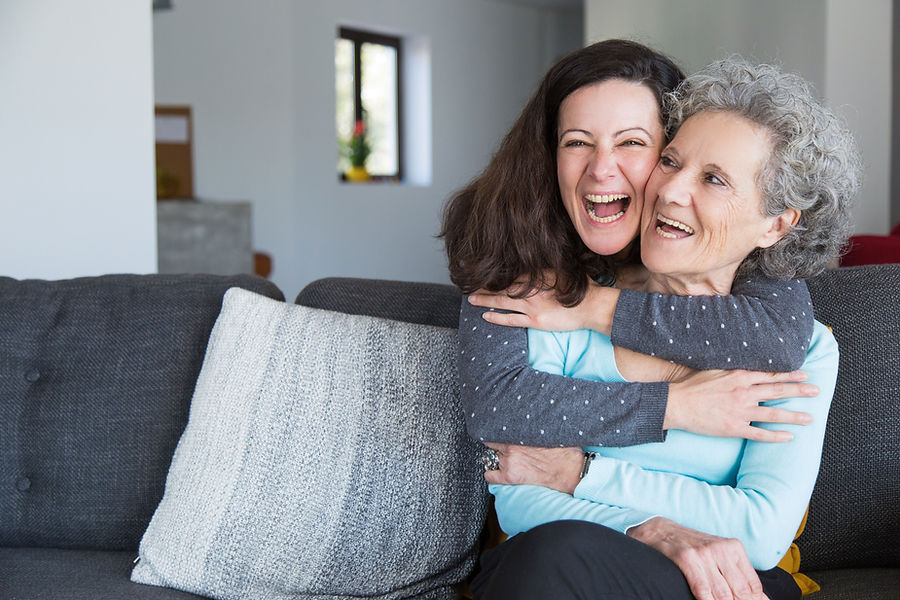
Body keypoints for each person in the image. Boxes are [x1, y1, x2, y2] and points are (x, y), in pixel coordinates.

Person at [469, 58, 861, 600]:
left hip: (719, 582)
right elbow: (519, 490)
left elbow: (762, 531)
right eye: (671, 161)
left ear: (776, 224)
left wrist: (583, 474)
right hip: (560, 566)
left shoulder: (801, 346)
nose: (671, 190)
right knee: (549, 557)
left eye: (714, 179)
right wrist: (650, 529)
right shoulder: (560, 303)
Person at [442, 40, 819, 453]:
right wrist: (672, 406)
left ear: (670, 153)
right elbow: (495, 405)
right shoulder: (508, 235)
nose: (601, 169)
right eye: (577, 142)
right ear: (548, 154)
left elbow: (777, 338)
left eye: (632, 143)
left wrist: (592, 306)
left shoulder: (715, 242)